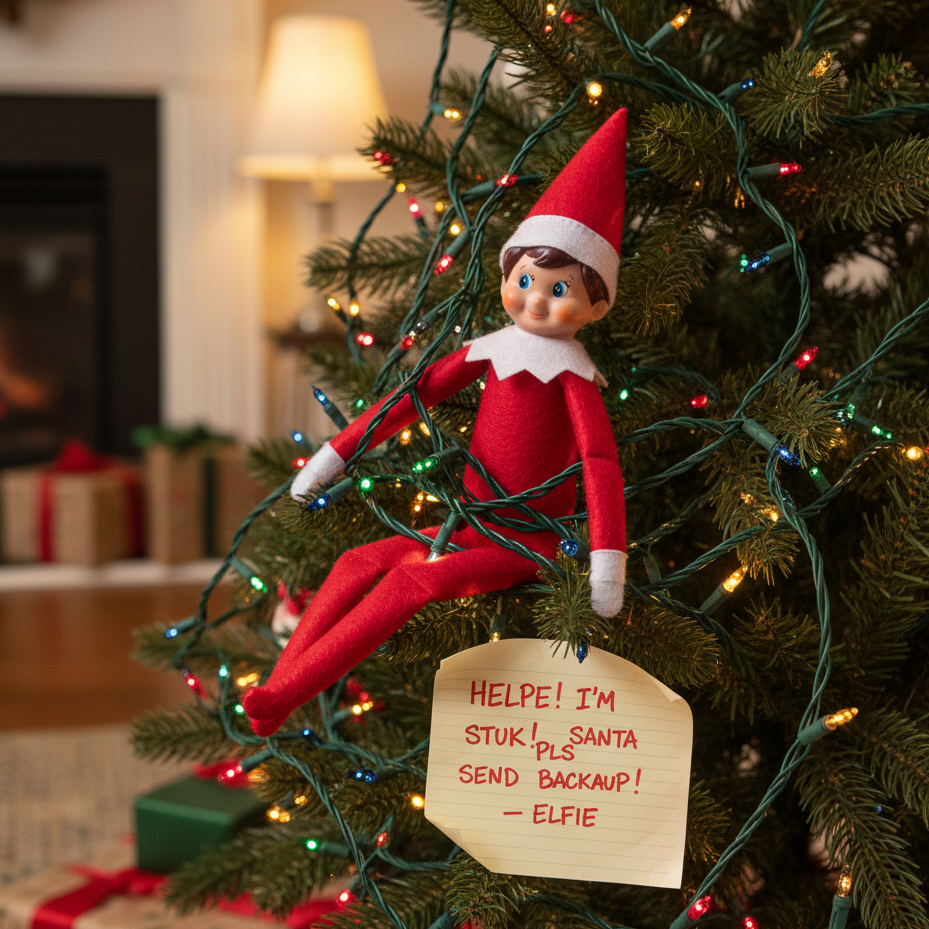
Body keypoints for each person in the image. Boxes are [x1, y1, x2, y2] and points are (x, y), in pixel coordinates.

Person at [243, 108, 629, 737]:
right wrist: (334, 457)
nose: (535, 298)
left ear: (596, 304)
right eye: (526, 279)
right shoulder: (489, 351)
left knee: (408, 585)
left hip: (528, 544)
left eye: (560, 290)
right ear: (507, 275)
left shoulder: (574, 379)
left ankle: (284, 695)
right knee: (355, 562)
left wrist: (607, 566)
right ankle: (280, 687)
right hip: (469, 523)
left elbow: (599, 465)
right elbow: (408, 397)